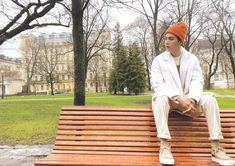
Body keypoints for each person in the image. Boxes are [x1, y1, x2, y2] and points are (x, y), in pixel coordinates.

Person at [151, 22, 235, 166]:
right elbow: (157, 84)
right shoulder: (158, 60)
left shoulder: (192, 59)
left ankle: (216, 148)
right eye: (166, 38)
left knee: (210, 100)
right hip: (170, 101)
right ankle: (164, 145)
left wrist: (192, 99)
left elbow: (197, 82)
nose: (166, 42)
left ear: (180, 41)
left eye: (171, 39)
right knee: (160, 99)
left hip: (190, 102)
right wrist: (178, 98)